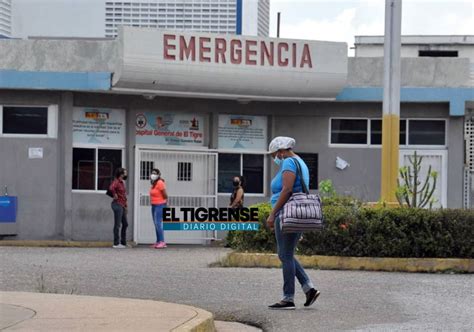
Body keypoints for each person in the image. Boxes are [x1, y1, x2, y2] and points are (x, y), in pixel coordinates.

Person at [266, 136, 320, 310]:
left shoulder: (289, 162)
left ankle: (288, 298)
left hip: (285, 213)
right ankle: (308, 288)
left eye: (275, 154)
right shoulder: (300, 162)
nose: (275, 158)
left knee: (285, 255)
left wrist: (272, 214)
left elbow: (287, 189)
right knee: (285, 254)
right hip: (293, 213)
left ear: (281, 151)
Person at [109, 168, 128, 249]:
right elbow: (111, 188)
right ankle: (116, 243)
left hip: (122, 205)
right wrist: (114, 194)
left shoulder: (122, 182)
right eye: (125, 172)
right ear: (121, 174)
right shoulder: (116, 181)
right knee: (117, 224)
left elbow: (123, 195)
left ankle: (123, 243)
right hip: (117, 204)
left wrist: (126, 206)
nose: (126, 174)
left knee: (125, 224)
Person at [150, 168, 168, 249]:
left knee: (158, 223)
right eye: (152, 173)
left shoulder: (160, 183)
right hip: (154, 205)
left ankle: (162, 242)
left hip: (160, 205)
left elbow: (165, 195)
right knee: (156, 224)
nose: (153, 175)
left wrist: (164, 203)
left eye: (155, 173)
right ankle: (158, 241)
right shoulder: (154, 183)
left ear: (158, 175)